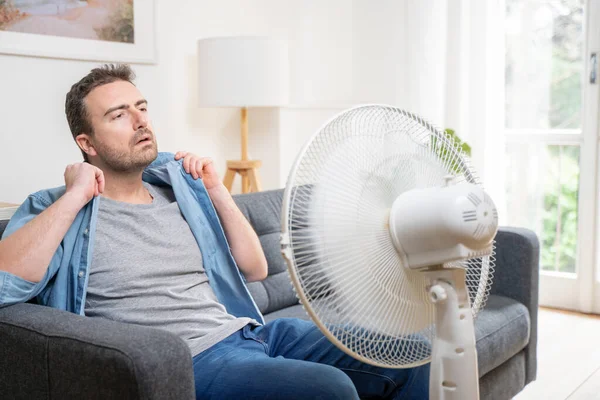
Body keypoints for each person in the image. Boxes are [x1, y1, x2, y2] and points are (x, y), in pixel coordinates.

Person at [0, 64, 429, 399]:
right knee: (329, 388)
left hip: (250, 332)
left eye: (142, 107)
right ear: (87, 143)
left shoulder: (177, 191)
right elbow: (5, 282)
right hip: (191, 359)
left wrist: (215, 189)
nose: (140, 120)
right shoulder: (55, 207)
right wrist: (75, 194)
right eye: (118, 114)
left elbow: (256, 268)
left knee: (411, 356)